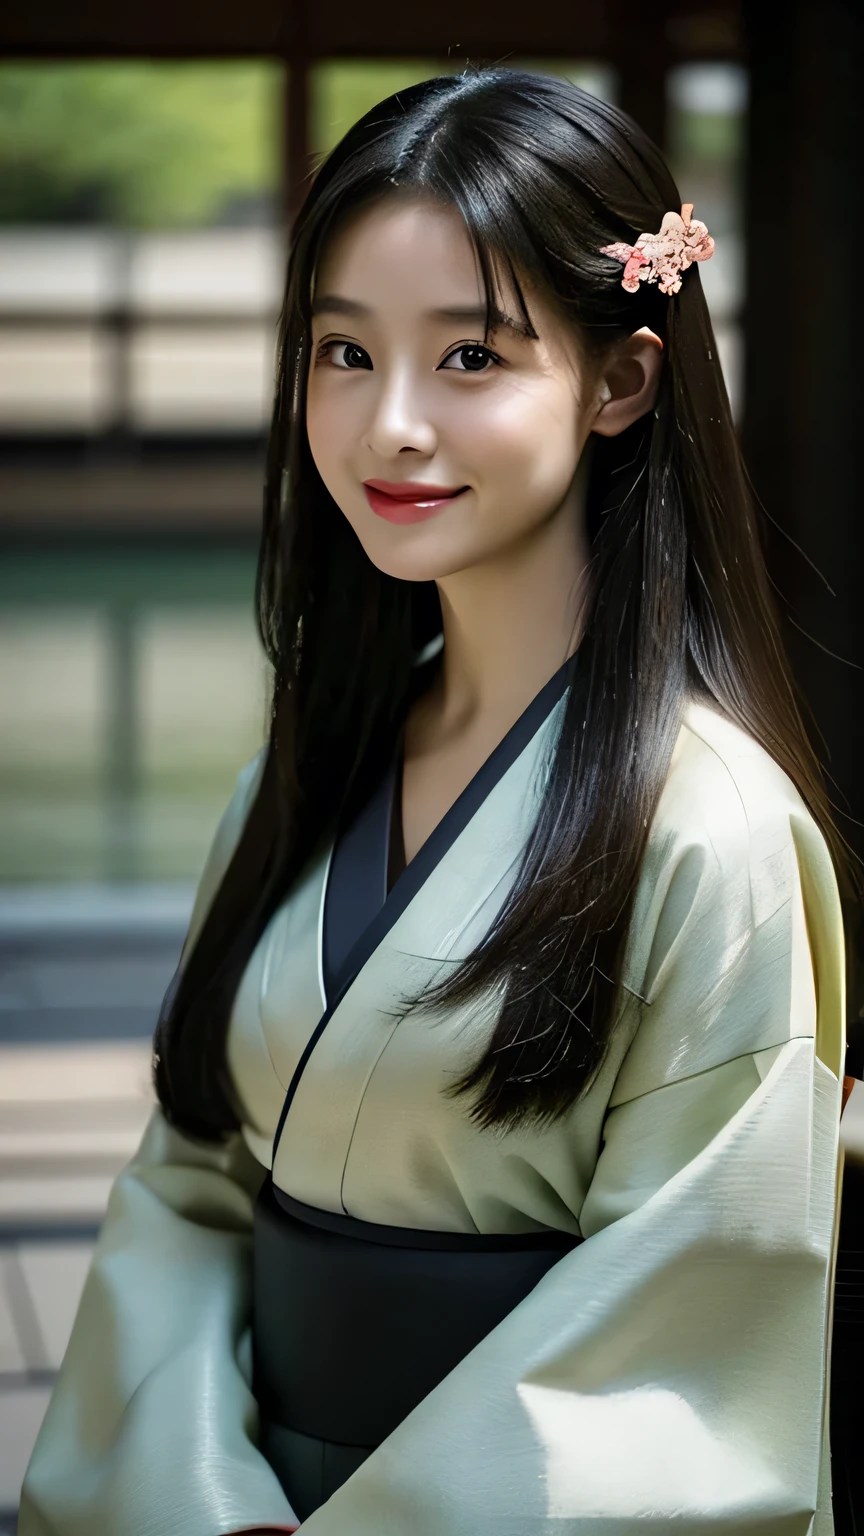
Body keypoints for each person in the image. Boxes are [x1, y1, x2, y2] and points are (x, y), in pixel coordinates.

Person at [19, 67, 859, 1536]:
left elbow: (687, 1336)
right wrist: (202, 1504)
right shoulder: (314, 768)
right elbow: (191, 1186)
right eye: (343, 352)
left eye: (468, 359)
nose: (388, 423)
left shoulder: (710, 830)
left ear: (621, 381)